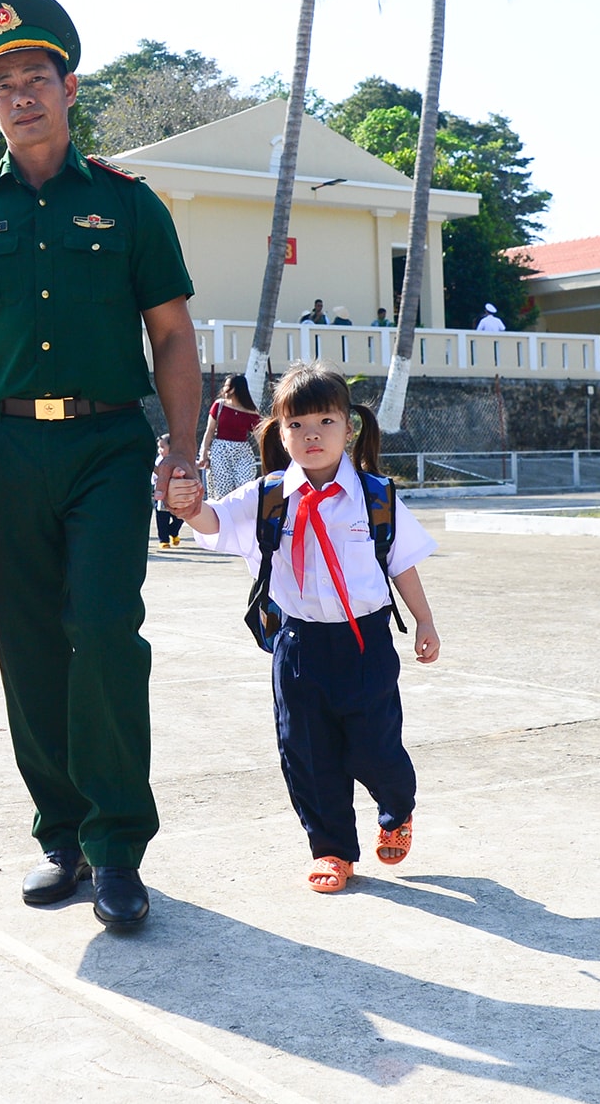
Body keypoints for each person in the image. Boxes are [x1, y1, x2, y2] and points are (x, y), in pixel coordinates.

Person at [0, 0, 202, 931]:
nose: (22, 94)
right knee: (28, 643)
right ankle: (60, 836)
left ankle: (119, 845)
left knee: (106, 629)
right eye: (3, 83)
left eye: (37, 76)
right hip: (4, 448)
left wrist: (181, 451)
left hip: (107, 444)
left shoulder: (128, 205)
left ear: (69, 88)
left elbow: (174, 336)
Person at [167, 363, 440, 894]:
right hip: (298, 644)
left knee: (374, 747)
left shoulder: (375, 496)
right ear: (278, 430)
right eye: (297, 424)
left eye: (325, 421)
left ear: (348, 428)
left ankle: (396, 808)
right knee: (306, 751)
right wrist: (190, 506)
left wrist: (424, 620)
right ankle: (333, 849)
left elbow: (401, 562)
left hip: (366, 641)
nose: (311, 435)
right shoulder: (268, 496)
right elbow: (216, 525)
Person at [197, 372, 261, 499]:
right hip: (220, 450)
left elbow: (259, 436)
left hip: (242, 451)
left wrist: (268, 455)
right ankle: (224, 516)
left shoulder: (250, 412)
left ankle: (243, 515)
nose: (225, 389)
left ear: (237, 388)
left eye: (228, 386)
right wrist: (203, 453)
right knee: (223, 490)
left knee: (245, 486)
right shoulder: (219, 405)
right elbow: (209, 430)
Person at [152, 434, 183, 549]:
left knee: (180, 517)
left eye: (162, 447)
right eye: (159, 447)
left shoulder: (180, 459)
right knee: (162, 517)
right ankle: (163, 539)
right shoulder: (159, 461)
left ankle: (173, 531)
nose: (160, 450)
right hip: (162, 494)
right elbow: (154, 478)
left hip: (177, 494)